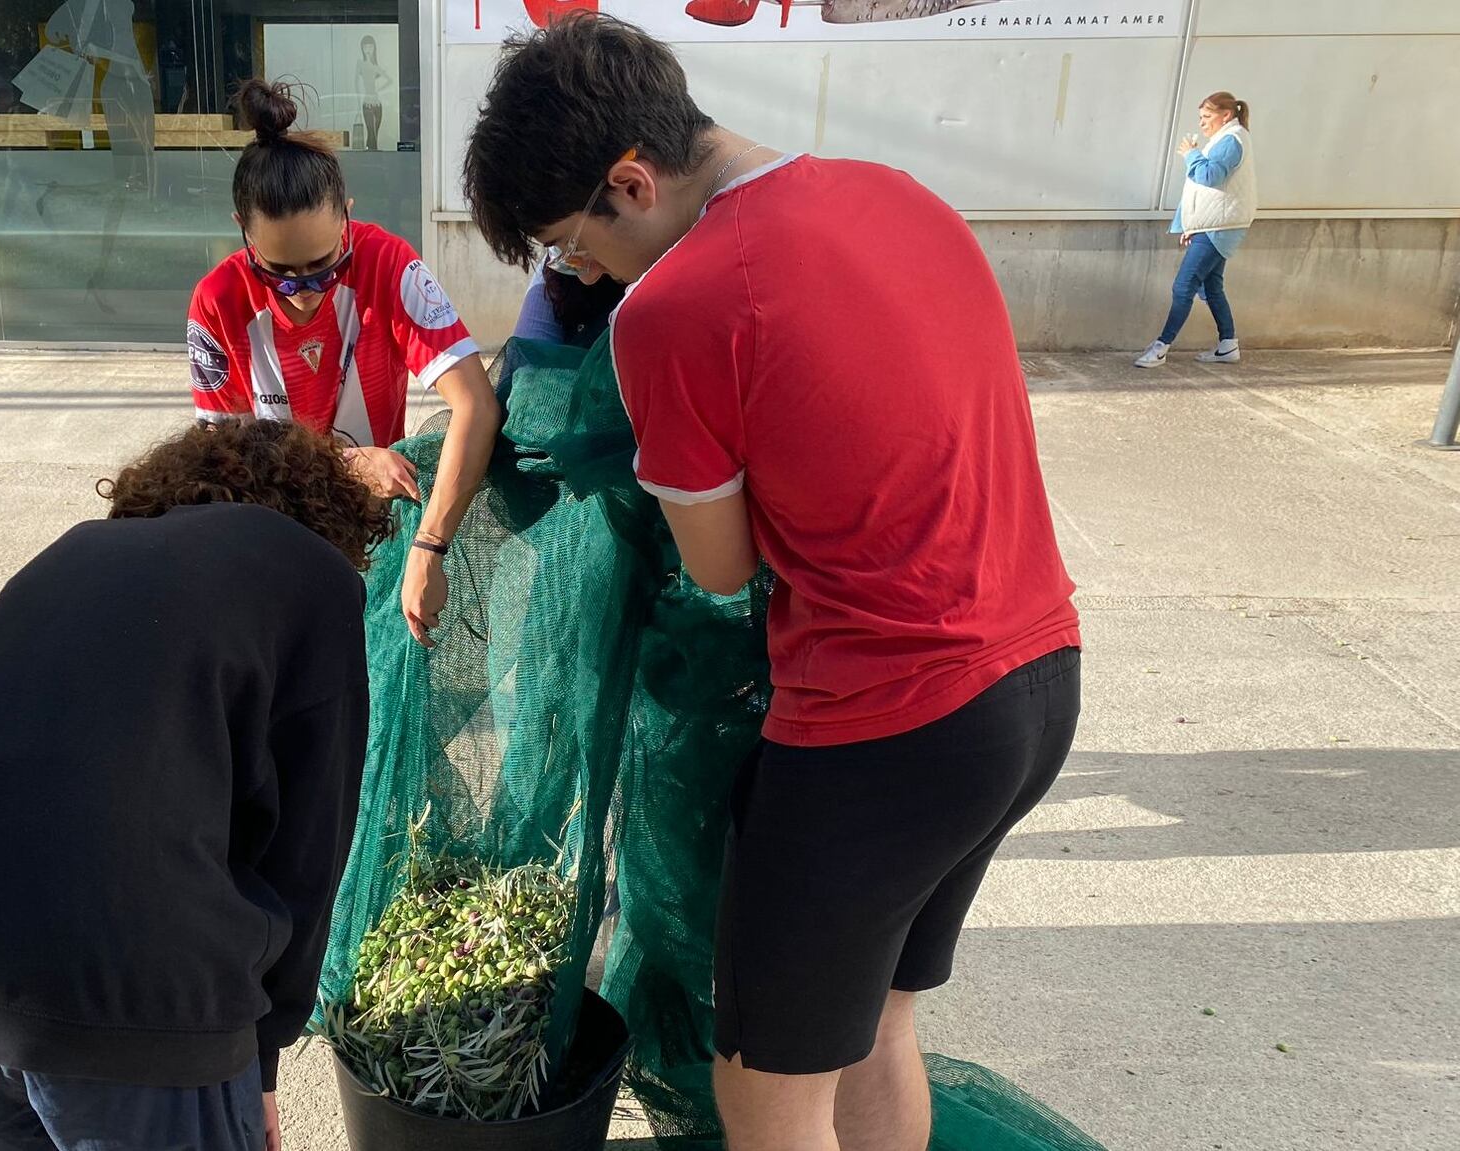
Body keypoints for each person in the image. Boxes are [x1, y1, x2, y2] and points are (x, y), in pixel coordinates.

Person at [463, 16, 1081, 1151]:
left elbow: (721, 563)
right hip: (1035, 682)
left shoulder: (674, 308)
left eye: (571, 245)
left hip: (880, 726)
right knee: (875, 1026)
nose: (580, 274)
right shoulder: (897, 192)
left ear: (631, 181)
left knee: (765, 1089)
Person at [0, 419, 386, 1151]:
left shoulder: (70, 551)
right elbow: (306, 851)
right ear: (324, 516)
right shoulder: (311, 576)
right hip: (127, 986)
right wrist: (259, 1058)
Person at [188, 79, 500, 647]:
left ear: (348, 219)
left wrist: (430, 546)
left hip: (374, 529)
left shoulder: (390, 265)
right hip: (272, 534)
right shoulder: (217, 300)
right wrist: (350, 462)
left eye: (325, 264)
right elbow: (221, 466)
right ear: (242, 231)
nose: (305, 290)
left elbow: (476, 406)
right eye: (279, 271)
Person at [1136, 91, 1257, 368]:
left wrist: (1191, 154)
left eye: (1207, 116)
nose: (1202, 123)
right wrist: (1192, 225)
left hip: (1220, 227)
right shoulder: (1227, 138)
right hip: (1216, 225)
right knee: (1211, 286)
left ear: (1226, 115)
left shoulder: (1231, 140)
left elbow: (1209, 177)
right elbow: (1210, 191)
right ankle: (1228, 345)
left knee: (1183, 286)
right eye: (1200, 117)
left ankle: (1160, 347)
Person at [355, 35, 391, 151]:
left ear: (374, 48)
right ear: (362, 48)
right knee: (371, 131)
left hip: (377, 102)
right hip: (367, 102)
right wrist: (358, 100)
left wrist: (379, 91)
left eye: (370, 46)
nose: (368, 49)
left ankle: (373, 154)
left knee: (375, 132)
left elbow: (389, 80)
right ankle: (371, 155)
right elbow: (356, 83)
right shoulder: (360, 63)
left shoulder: (375, 66)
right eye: (365, 46)